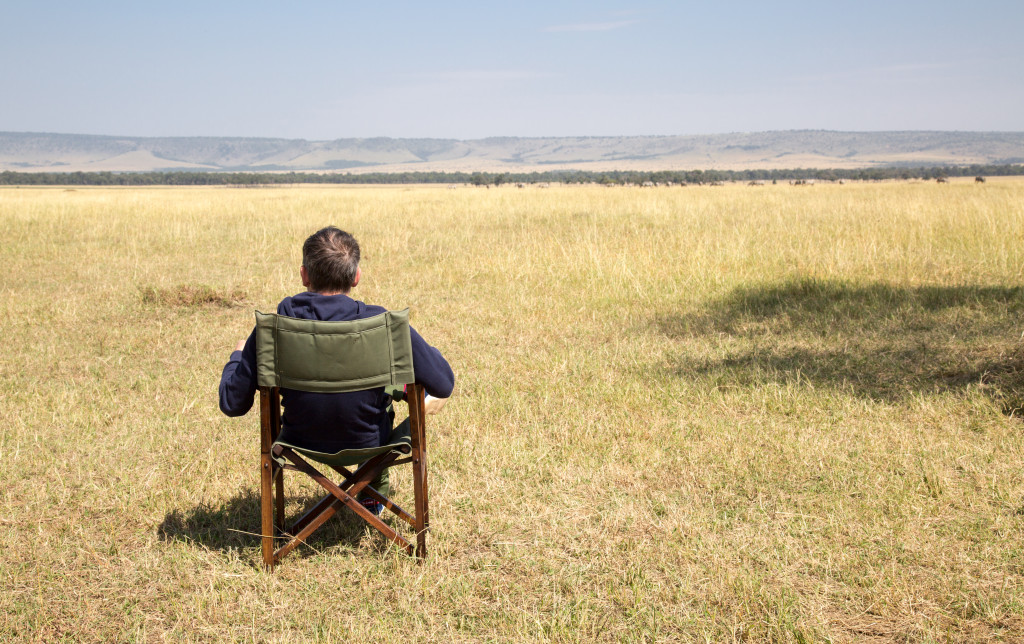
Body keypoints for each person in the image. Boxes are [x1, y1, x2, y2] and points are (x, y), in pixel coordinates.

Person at [219, 226, 455, 513]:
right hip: (371, 443)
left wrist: (237, 355)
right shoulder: (385, 324)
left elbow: (232, 403)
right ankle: (371, 485)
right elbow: (443, 383)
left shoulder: (273, 328)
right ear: (356, 277)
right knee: (394, 388)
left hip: (298, 441)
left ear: (304, 275)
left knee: (388, 385)